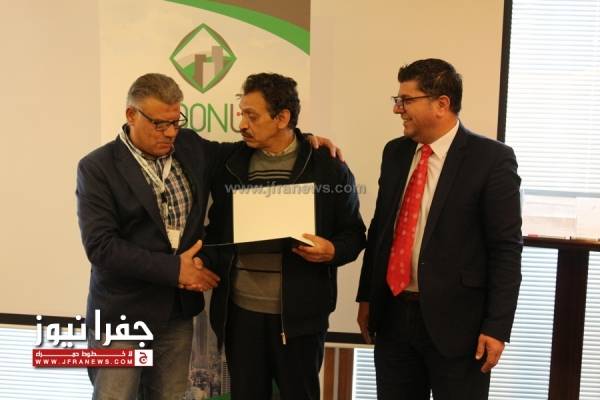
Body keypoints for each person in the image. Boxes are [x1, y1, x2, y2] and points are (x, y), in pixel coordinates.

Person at [76, 73, 339, 399]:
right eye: (159, 124)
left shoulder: (189, 146)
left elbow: (258, 144)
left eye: (176, 121)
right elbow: (101, 247)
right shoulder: (97, 167)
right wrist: (175, 270)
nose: (170, 132)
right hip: (122, 314)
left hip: (177, 314)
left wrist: (304, 139)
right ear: (131, 115)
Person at [356, 59, 522, 400]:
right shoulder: (395, 152)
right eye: (398, 100)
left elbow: (505, 249)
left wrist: (497, 327)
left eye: (406, 100)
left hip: (460, 326)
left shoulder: (491, 159)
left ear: (441, 104)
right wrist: (367, 297)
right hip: (393, 316)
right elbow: (381, 230)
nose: (398, 109)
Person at [203, 73, 366, 400]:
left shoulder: (327, 166)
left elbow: (354, 234)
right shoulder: (229, 162)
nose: (242, 125)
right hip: (240, 314)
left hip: (300, 318)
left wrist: (332, 251)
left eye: (252, 116)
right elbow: (216, 230)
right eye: (241, 114)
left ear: (282, 118)